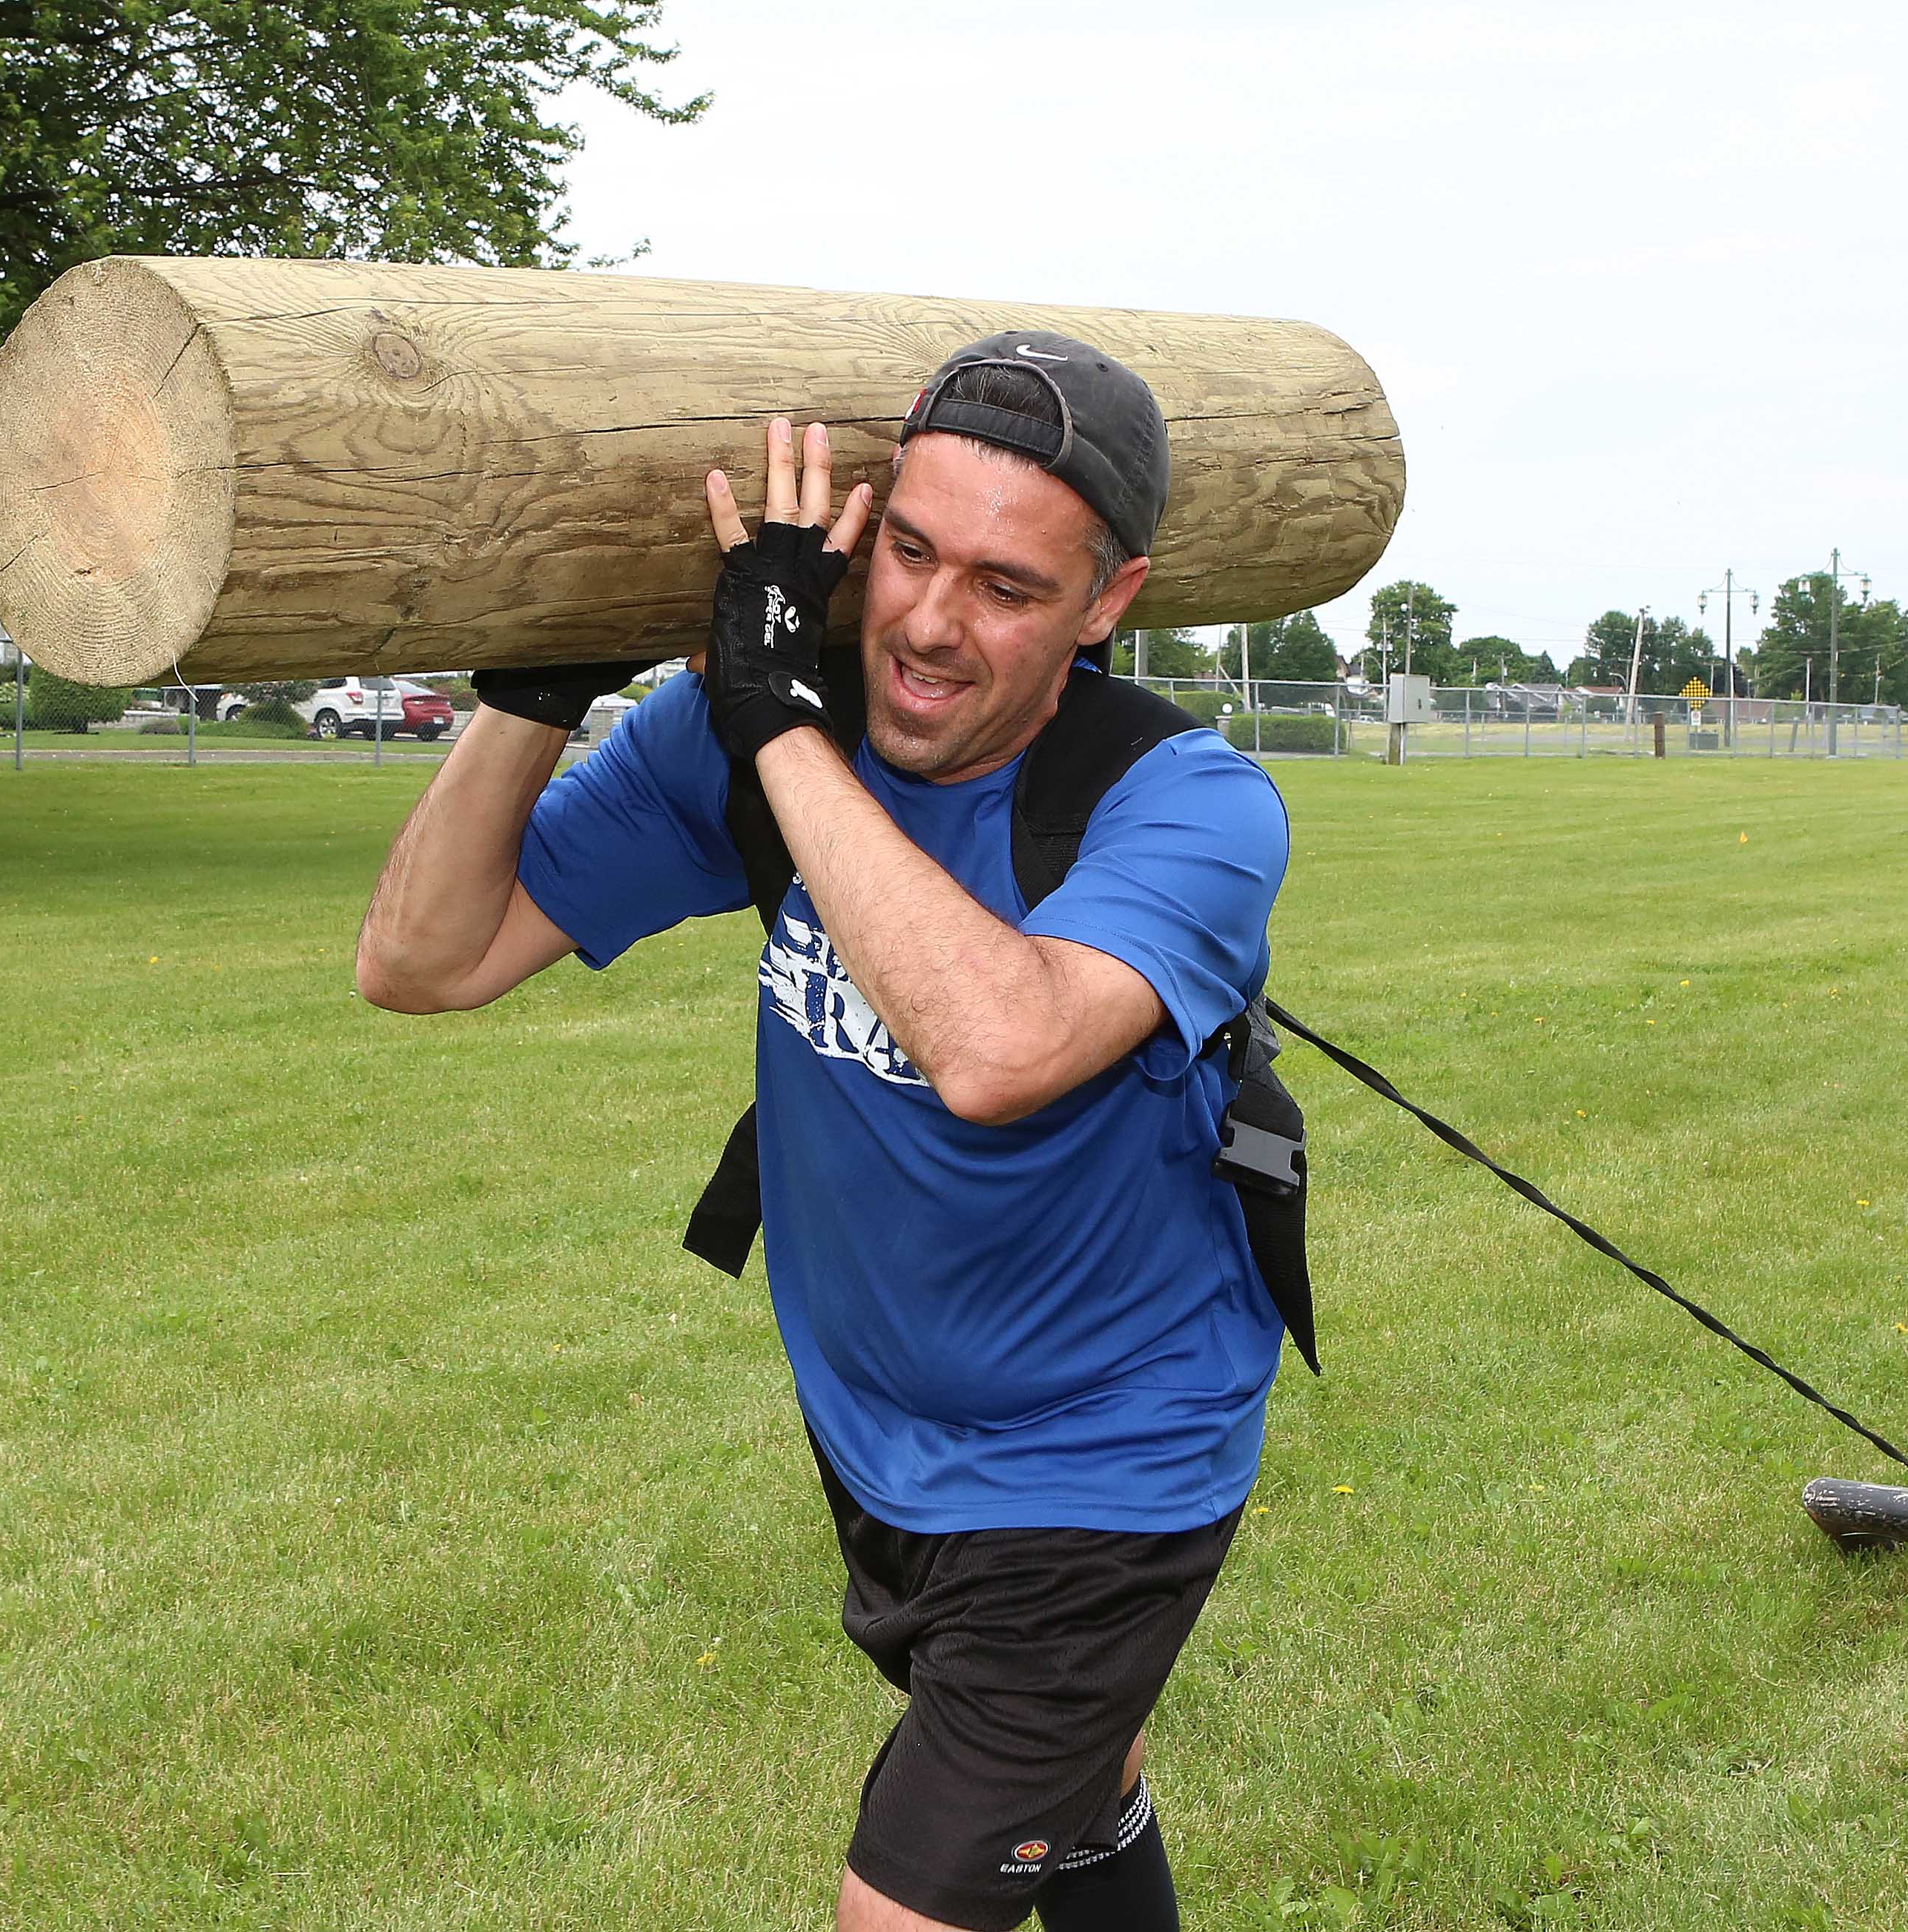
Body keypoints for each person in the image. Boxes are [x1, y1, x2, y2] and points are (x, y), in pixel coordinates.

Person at [355, 333, 1291, 1932]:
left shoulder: (1189, 804)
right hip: (878, 1428)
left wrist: (778, 720)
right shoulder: (749, 736)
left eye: (1005, 586)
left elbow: (999, 1047)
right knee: (1082, 1792)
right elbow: (423, 960)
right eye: (908, 552)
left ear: (1108, 602)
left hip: (1105, 1452)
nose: (926, 623)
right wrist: (532, 688)